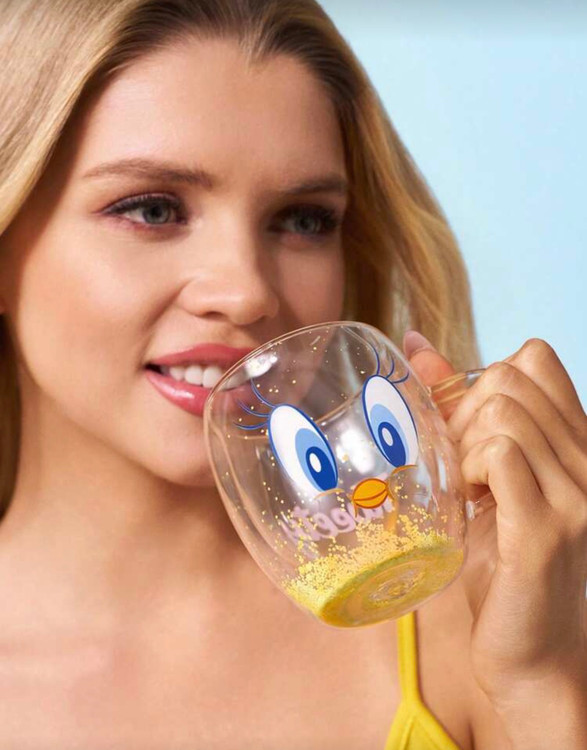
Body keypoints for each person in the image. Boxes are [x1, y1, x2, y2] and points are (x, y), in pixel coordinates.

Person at [0, 1, 585, 748]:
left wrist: (541, 684)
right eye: (151, 210)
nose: (247, 290)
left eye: (303, 219)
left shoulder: (485, 629)